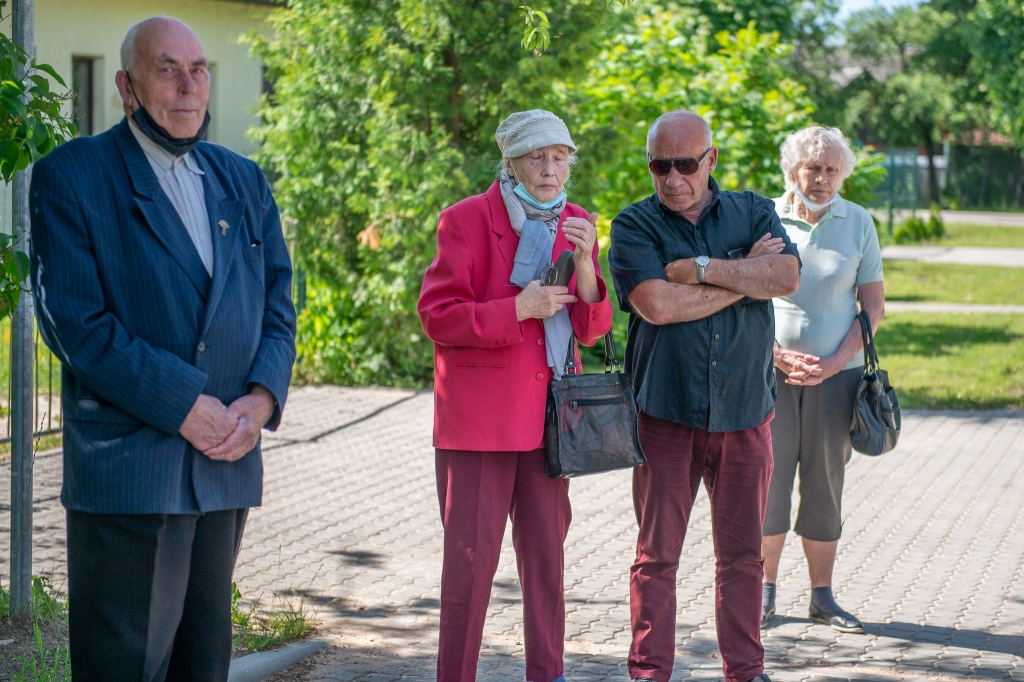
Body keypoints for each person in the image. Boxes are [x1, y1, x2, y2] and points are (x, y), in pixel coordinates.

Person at [30, 16, 296, 681]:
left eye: (199, 68)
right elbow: (75, 323)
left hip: (228, 458)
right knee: (125, 665)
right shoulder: (73, 175)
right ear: (126, 85)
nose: (188, 86)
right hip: (131, 466)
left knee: (203, 662)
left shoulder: (243, 178)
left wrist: (261, 400)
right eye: (167, 69)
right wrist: (186, 405)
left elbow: (279, 304)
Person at [418, 109, 613, 682]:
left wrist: (584, 267)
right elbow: (438, 317)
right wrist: (517, 309)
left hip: (553, 420)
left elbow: (592, 327)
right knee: (469, 570)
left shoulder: (576, 221)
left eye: (560, 157)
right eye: (537, 157)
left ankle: (546, 675)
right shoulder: (465, 220)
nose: (551, 169)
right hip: (480, 426)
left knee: (546, 564)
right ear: (510, 162)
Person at [608, 110, 801, 682]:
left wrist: (700, 271)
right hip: (665, 413)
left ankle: (745, 671)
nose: (672, 178)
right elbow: (658, 306)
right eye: (659, 166)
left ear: (711, 160)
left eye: (685, 164)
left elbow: (787, 277)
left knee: (744, 557)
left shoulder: (753, 210)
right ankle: (649, 673)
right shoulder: (633, 226)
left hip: (746, 413)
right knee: (656, 556)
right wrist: (744, 274)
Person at [760, 126, 885, 633]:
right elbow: (744, 301)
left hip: (838, 380)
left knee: (825, 485)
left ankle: (822, 596)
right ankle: (762, 593)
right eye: (814, 168)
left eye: (833, 169)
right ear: (793, 170)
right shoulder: (763, 216)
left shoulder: (858, 222)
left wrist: (834, 363)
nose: (823, 178)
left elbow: (872, 307)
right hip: (769, 375)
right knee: (765, 483)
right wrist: (776, 356)